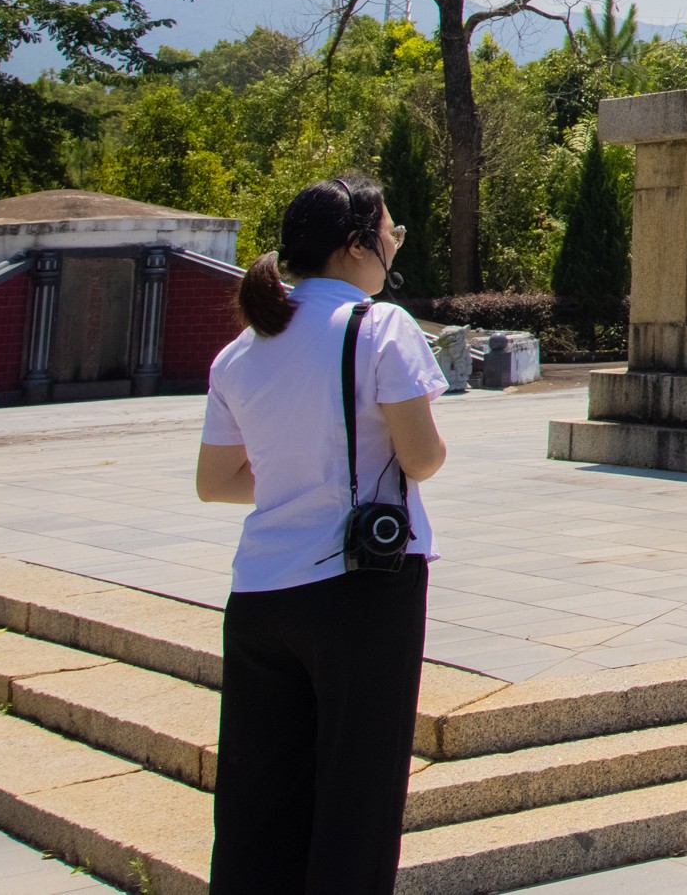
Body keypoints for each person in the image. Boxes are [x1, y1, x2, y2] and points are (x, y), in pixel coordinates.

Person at [199, 174, 446, 895]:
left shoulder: (241, 350)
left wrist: (298, 480)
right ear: (354, 246)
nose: (396, 243)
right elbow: (420, 458)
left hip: (260, 597)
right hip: (360, 593)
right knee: (355, 803)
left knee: (259, 800)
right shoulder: (379, 326)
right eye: (390, 232)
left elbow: (216, 482)